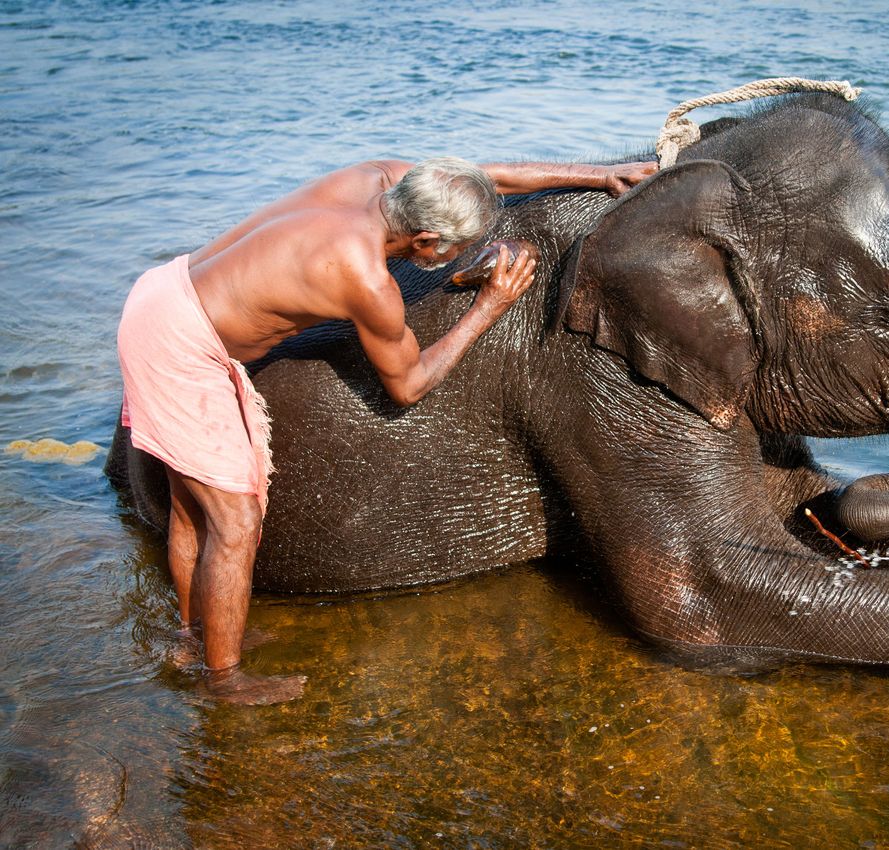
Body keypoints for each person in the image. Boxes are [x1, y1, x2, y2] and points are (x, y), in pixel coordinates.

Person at [117, 156, 657, 703]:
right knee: (234, 521)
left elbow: (485, 176)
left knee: (191, 506)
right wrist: (489, 308)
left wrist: (599, 176)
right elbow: (410, 383)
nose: (453, 259)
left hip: (163, 292)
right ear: (424, 241)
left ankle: (194, 639)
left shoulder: (376, 180)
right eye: (450, 250)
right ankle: (224, 681)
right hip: (182, 346)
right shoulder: (366, 280)